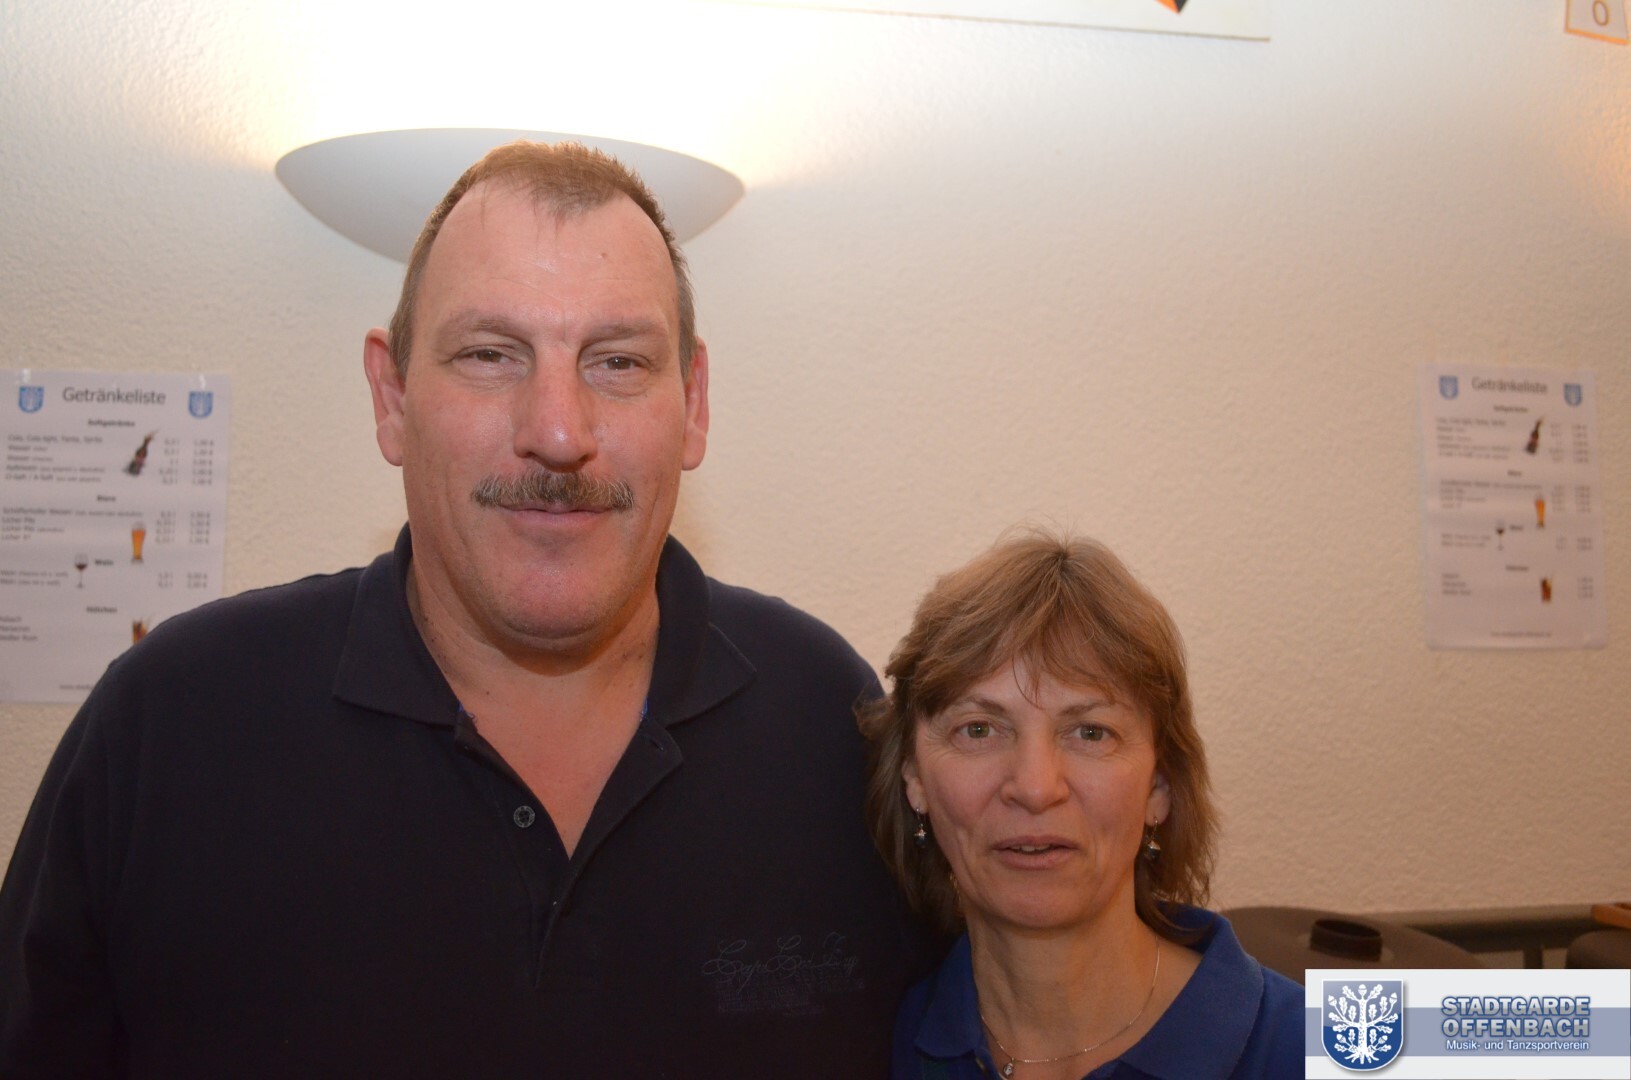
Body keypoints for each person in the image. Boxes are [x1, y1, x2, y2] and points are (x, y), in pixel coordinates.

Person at [0, 141, 928, 1076]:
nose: (557, 432)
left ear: (691, 403)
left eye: (616, 361)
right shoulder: (172, 721)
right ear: (392, 396)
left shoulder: (830, 722)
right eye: (489, 355)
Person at [859, 531, 1302, 1079]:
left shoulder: (1367, 1047)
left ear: (1159, 786)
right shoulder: (866, 1042)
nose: (1036, 787)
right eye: (979, 729)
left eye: (1090, 732)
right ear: (914, 778)